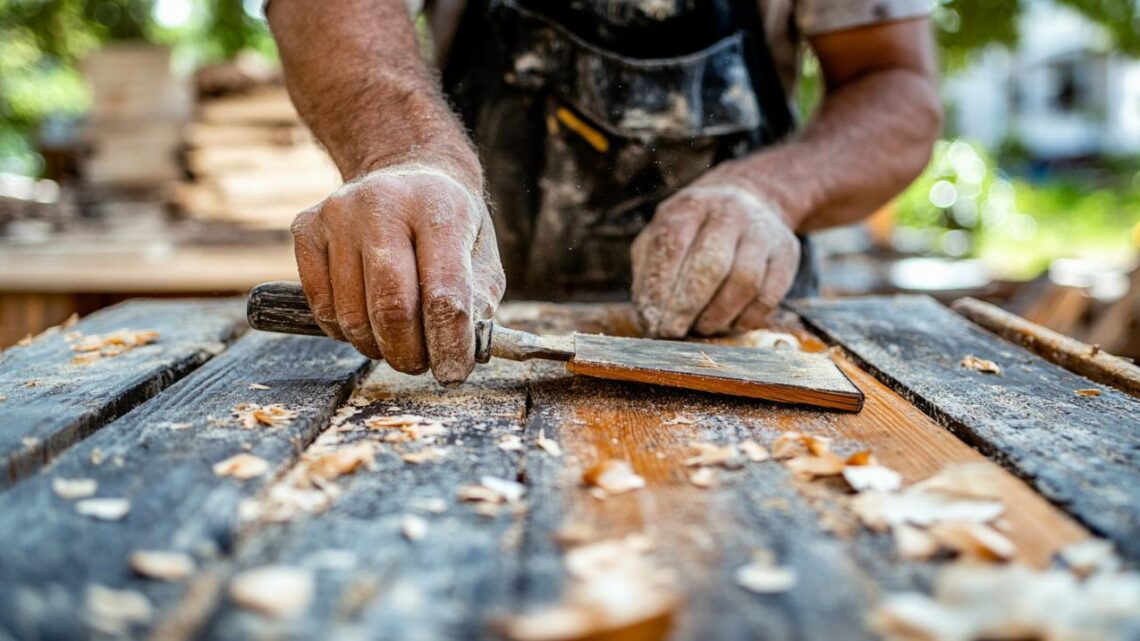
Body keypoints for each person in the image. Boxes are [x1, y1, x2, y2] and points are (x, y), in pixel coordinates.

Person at [266, 0, 942, 385]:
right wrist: (407, 153)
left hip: (747, 332)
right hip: (472, 320)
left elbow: (896, 84)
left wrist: (773, 190)